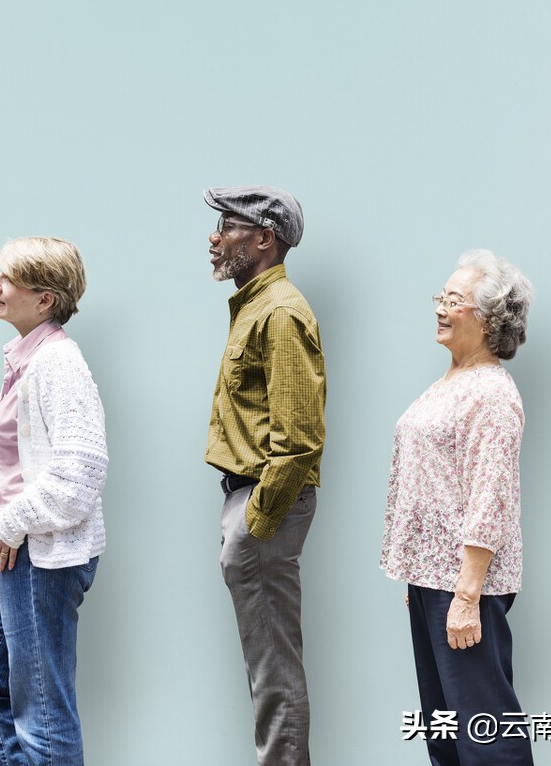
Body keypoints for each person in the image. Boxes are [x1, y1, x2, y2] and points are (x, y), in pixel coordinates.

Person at [380, 249, 534, 766]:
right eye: (440, 298)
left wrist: (466, 595)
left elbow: (490, 496)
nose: (440, 308)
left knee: (484, 731)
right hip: (433, 580)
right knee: (445, 731)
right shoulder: (451, 382)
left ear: (488, 319)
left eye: (454, 300)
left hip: (464, 584)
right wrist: (418, 575)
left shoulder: (491, 394)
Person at [0, 237, 107, 766]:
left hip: (41, 555)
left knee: (43, 713)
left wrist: (11, 523)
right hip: (25, 553)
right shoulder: (29, 360)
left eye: (8, 278)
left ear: (45, 299)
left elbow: (82, 469)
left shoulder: (57, 363)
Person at [204, 185, 326, 766]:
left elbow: (298, 441)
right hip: (250, 501)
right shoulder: (256, 306)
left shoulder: (279, 313)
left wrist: (255, 521)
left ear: (264, 238)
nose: (215, 239)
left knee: (273, 669)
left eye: (228, 227)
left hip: (264, 504)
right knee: (266, 667)